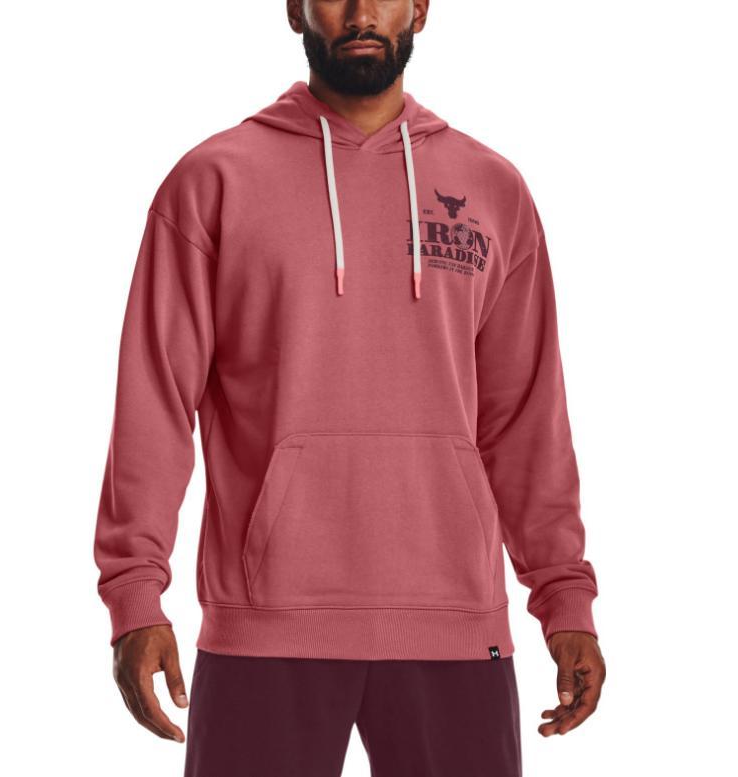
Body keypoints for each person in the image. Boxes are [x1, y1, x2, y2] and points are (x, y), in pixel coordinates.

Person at [93, 1, 606, 774]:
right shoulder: (213, 181)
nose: (361, 11)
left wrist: (564, 597)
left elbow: (526, 417)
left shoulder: (490, 189)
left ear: (419, 10)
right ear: (295, 9)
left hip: (454, 622)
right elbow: (155, 401)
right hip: (264, 624)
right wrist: (135, 595)